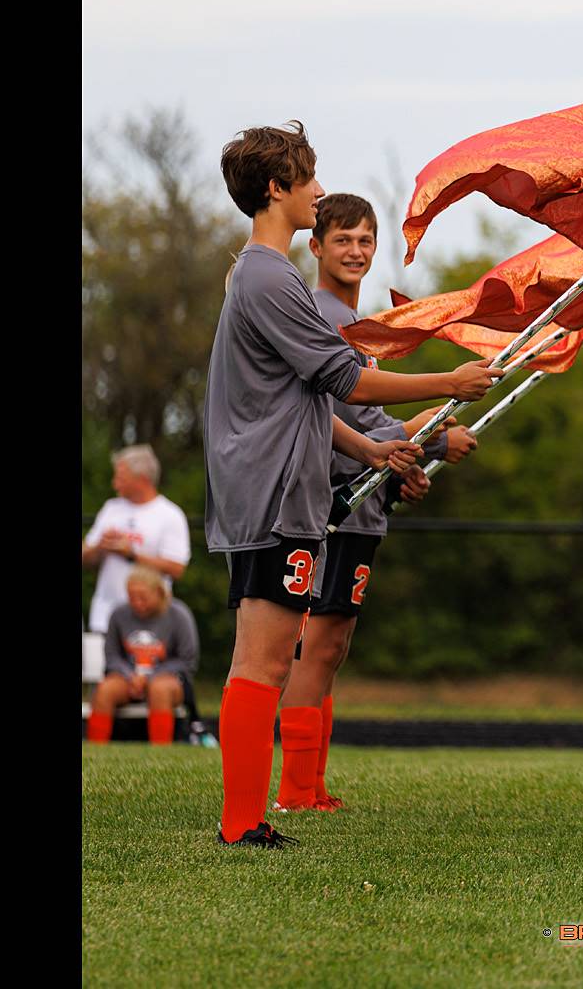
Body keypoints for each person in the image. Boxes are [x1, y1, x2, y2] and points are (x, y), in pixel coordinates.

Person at [207, 121, 501, 847]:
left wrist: (370, 448)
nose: (317, 191)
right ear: (275, 188)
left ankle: (249, 817)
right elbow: (345, 376)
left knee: (273, 655)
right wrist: (450, 380)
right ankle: (243, 823)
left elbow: (308, 395)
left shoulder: (263, 274)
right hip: (276, 491)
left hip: (282, 485)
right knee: (268, 658)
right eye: (307, 178)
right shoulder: (270, 274)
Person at [271, 193, 479, 814]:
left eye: (365, 240)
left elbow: (371, 418)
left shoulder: (356, 327)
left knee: (333, 646)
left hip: (360, 501)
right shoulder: (318, 317)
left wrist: (406, 464)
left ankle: (313, 786)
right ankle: (293, 792)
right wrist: (433, 434)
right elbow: (329, 415)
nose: (356, 252)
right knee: (315, 642)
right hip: (327, 501)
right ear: (315, 247)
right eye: (343, 240)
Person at [83, 445, 190, 636]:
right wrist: (101, 546)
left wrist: (131, 554)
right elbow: (85, 557)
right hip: (104, 617)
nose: (115, 484)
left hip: (151, 620)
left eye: (121, 478)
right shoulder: (111, 508)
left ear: (142, 480)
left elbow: (177, 568)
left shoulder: (170, 515)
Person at [88, 567, 199, 745]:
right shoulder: (119, 615)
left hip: (168, 680)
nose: (137, 603)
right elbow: (112, 655)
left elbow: (187, 660)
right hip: (128, 679)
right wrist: (130, 676)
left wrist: (149, 677)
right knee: (104, 691)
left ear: (159, 593)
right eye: (132, 597)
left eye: (143, 597)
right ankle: (95, 750)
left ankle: (160, 751)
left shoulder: (178, 615)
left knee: (159, 689)